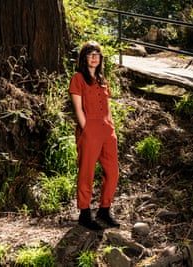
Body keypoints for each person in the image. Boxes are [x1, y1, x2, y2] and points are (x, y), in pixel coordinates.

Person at [69, 40, 120, 230]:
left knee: (113, 172)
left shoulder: (102, 80)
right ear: (84, 58)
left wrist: (111, 127)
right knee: (87, 172)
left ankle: (104, 210)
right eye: (90, 54)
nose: (94, 57)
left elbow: (107, 107)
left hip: (107, 131)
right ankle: (84, 213)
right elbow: (77, 108)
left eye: (97, 54)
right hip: (89, 129)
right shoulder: (78, 78)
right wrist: (86, 128)